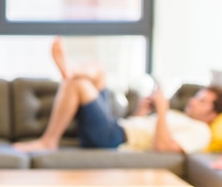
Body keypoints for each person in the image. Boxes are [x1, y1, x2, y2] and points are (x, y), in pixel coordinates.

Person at [13, 37, 222, 154]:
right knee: (99, 71)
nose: (193, 100)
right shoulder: (183, 118)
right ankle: (70, 71)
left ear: (212, 114)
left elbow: (164, 147)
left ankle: (49, 141)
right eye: (197, 96)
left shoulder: (201, 131)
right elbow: (143, 133)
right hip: (117, 128)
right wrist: (142, 112)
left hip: (113, 139)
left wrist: (162, 109)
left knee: (80, 86)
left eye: (202, 101)